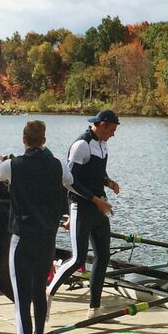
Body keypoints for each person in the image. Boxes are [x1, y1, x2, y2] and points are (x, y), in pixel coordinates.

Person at [0, 120, 73, 334]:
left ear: (24, 139)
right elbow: (69, 180)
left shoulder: (12, 165)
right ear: (44, 140)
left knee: (21, 301)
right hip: (47, 239)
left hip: (22, 239)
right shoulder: (57, 164)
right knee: (39, 290)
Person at [48, 109, 121, 319]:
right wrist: (95, 201)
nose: (113, 134)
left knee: (103, 255)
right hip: (82, 206)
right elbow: (69, 181)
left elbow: (97, 173)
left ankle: (94, 309)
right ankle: (50, 290)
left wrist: (108, 182)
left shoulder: (102, 144)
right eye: (112, 130)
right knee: (79, 258)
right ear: (102, 125)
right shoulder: (81, 145)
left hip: (98, 205)